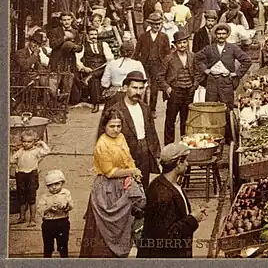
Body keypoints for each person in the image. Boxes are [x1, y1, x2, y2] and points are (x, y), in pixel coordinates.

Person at [80, 109, 147, 257]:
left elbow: (128, 158)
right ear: (104, 126)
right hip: (107, 189)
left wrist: (133, 170)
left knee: (124, 224)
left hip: (123, 184)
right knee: (106, 229)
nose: (116, 130)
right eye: (112, 126)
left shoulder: (121, 137)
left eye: (118, 126)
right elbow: (110, 172)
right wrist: (132, 172)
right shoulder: (102, 145)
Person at [139, 142, 208, 257]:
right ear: (178, 163)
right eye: (185, 160)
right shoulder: (163, 195)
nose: (187, 164)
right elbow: (168, 237)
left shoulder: (163, 183)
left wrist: (190, 214)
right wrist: (192, 219)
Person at [100, 71, 161, 183]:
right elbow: (103, 135)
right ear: (125, 88)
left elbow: (151, 131)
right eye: (134, 88)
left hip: (143, 151)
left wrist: (156, 153)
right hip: (124, 152)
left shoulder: (145, 108)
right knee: (124, 187)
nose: (138, 92)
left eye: (141, 88)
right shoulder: (115, 110)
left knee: (143, 184)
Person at [195, 23, 252, 138]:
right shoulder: (209, 49)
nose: (221, 36)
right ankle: (212, 135)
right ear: (215, 35)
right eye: (219, 34)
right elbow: (197, 59)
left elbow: (247, 61)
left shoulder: (232, 48)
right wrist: (205, 70)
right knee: (211, 107)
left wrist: (236, 73)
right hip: (212, 81)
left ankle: (228, 136)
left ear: (227, 35)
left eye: (223, 34)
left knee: (227, 108)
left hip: (226, 82)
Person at [159, 29, 201, 145]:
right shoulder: (169, 58)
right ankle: (169, 147)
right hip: (175, 92)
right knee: (170, 121)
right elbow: (160, 76)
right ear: (175, 45)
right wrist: (167, 88)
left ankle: (184, 146)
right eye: (179, 43)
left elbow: (198, 73)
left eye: (184, 42)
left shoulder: (193, 56)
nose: (182, 45)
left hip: (189, 92)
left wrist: (195, 85)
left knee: (185, 121)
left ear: (187, 43)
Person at [133, 11, 171, 117]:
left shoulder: (164, 37)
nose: (156, 26)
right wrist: (133, 63)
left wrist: (167, 65)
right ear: (150, 24)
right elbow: (137, 51)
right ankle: (143, 107)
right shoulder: (143, 37)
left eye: (158, 24)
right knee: (143, 86)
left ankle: (152, 109)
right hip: (144, 64)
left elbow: (168, 53)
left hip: (157, 65)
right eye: (154, 24)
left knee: (154, 88)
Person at [11, 130, 50, 225]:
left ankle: (32, 219)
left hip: (31, 175)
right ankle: (22, 217)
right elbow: (12, 160)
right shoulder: (20, 151)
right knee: (21, 196)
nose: (26, 144)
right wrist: (13, 151)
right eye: (24, 141)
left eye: (29, 142)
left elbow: (47, 151)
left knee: (32, 197)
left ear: (34, 142)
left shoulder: (36, 151)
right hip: (20, 175)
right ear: (21, 141)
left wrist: (41, 143)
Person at [76, 27, 114, 113]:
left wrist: (107, 67)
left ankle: (90, 77)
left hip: (103, 69)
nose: (94, 36)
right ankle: (96, 103)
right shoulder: (83, 46)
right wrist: (83, 68)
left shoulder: (103, 44)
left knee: (99, 73)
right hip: (90, 70)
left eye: (95, 34)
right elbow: (77, 60)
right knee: (94, 79)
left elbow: (110, 58)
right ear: (88, 36)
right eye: (91, 35)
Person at [37, 169, 72, 257]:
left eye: (57, 184)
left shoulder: (66, 193)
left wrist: (65, 206)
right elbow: (39, 209)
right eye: (50, 185)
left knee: (63, 245)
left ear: (62, 183)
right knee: (48, 246)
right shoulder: (45, 196)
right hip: (48, 223)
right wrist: (48, 208)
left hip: (62, 221)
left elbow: (70, 205)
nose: (54, 187)